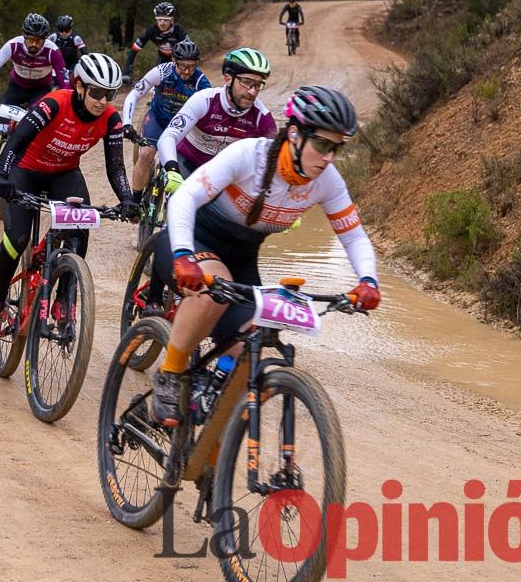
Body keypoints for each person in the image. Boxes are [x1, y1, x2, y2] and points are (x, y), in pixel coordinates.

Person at [147, 86, 381, 423]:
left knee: (249, 350)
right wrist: (183, 253)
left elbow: (354, 236)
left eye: (337, 149)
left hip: (242, 259)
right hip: (194, 239)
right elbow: (185, 198)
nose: (329, 157)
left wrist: (368, 281)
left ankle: (209, 454)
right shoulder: (249, 155)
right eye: (323, 145)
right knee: (213, 293)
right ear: (296, 135)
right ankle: (170, 373)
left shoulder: (327, 181)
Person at [0, 53, 140, 339]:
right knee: (16, 239)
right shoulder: (54, 104)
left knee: (81, 227)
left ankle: (64, 301)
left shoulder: (110, 119)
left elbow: (115, 167)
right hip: (25, 170)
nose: (103, 100)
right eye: (97, 92)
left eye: (110, 94)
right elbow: (16, 142)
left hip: (64, 174)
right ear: (80, 86)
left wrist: (128, 198)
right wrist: (1, 176)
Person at [0, 13, 69, 207]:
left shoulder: (53, 51)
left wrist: (65, 105)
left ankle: (26, 177)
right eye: (31, 40)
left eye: (39, 41)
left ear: (45, 40)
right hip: (15, 91)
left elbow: (64, 82)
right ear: (23, 36)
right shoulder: (13, 45)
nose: (34, 45)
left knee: (30, 135)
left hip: (39, 93)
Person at [156, 48, 276, 194]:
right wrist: (171, 168)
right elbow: (169, 136)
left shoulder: (261, 117)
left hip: (221, 174)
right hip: (186, 161)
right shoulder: (204, 100)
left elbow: (276, 163)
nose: (252, 91)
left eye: (258, 85)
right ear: (228, 78)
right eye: (246, 82)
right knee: (178, 199)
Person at [121, 37, 211, 202]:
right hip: (158, 119)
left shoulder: (200, 82)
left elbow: (210, 110)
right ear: (173, 60)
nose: (186, 71)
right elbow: (134, 95)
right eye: (182, 66)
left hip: (181, 128)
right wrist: (127, 123)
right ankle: (135, 201)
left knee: (178, 167)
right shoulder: (161, 72)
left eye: (192, 67)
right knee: (146, 154)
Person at [123, 1, 188, 82]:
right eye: (159, 19)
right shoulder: (151, 30)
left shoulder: (178, 30)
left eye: (166, 20)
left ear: (172, 20)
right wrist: (126, 73)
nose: (162, 23)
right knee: (156, 83)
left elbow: (189, 50)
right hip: (162, 59)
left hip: (179, 59)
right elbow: (133, 51)